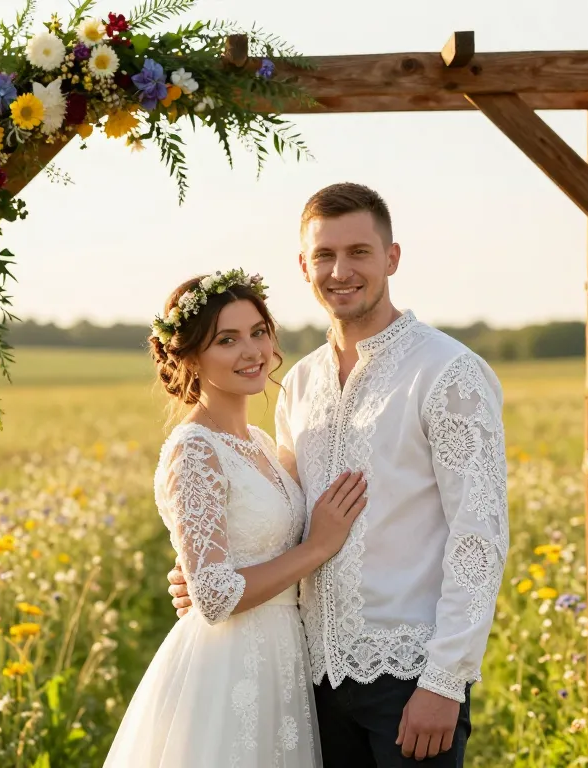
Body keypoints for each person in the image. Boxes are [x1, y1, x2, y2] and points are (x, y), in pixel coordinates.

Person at [168, 183, 509, 766]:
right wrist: (205, 576)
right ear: (304, 266)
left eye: (359, 252)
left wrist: (445, 682)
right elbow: (284, 517)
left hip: (409, 681)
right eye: (324, 255)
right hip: (306, 679)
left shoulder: (448, 372)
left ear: (391, 258)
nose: (340, 270)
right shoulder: (299, 383)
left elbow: (479, 538)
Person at [103, 268, 370, 768]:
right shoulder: (194, 450)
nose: (252, 352)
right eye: (227, 339)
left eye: (259, 332)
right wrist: (317, 548)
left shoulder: (263, 445)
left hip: (281, 657)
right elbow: (215, 596)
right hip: (227, 667)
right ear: (189, 358)